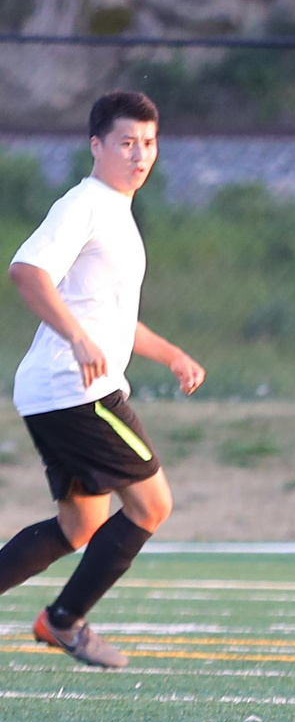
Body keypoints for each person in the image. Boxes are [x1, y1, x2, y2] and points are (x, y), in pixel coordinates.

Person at [1, 91, 206, 670]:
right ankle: (63, 622)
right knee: (151, 505)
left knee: (81, 522)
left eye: (149, 143)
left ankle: (60, 619)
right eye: (126, 143)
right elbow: (26, 271)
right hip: (77, 390)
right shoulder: (84, 205)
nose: (140, 155)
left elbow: (109, 317)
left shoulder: (117, 211)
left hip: (57, 390)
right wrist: (78, 339)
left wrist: (171, 355)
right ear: (96, 146)